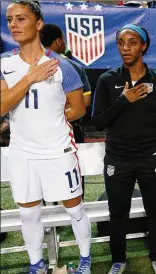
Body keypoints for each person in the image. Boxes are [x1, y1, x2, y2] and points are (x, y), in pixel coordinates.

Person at [1, 0, 92, 274]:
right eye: (10, 19)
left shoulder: (63, 65)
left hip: (57, 152)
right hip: (22, 154)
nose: (14, 24)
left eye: (21, 19)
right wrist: (30, 77)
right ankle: (37, 265)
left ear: (39, 24)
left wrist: (49, 119)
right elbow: (2, 105)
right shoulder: (4, 64)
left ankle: (85, 259)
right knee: (28, 213)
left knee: (75, 209)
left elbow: (77, 109)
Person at [92, 24, 156, 274]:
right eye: (120, 43)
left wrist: (148, 133)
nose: (125, 48)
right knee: (118, 214)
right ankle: (118, 261)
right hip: (118, 160)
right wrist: (124, 100)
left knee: (154, 211)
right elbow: (98, 122)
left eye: (132, 42)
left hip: (151, 158)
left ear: (143, 46)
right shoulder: (107, 80)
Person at [40, 23, 92, 199]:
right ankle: (77, 209)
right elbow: (84, 101)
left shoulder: (28, 66)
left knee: (42, 171)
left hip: (38, 130)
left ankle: (49, 221)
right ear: (58, 41)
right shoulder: (72, 66)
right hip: (69, 127)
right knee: (73, 170)